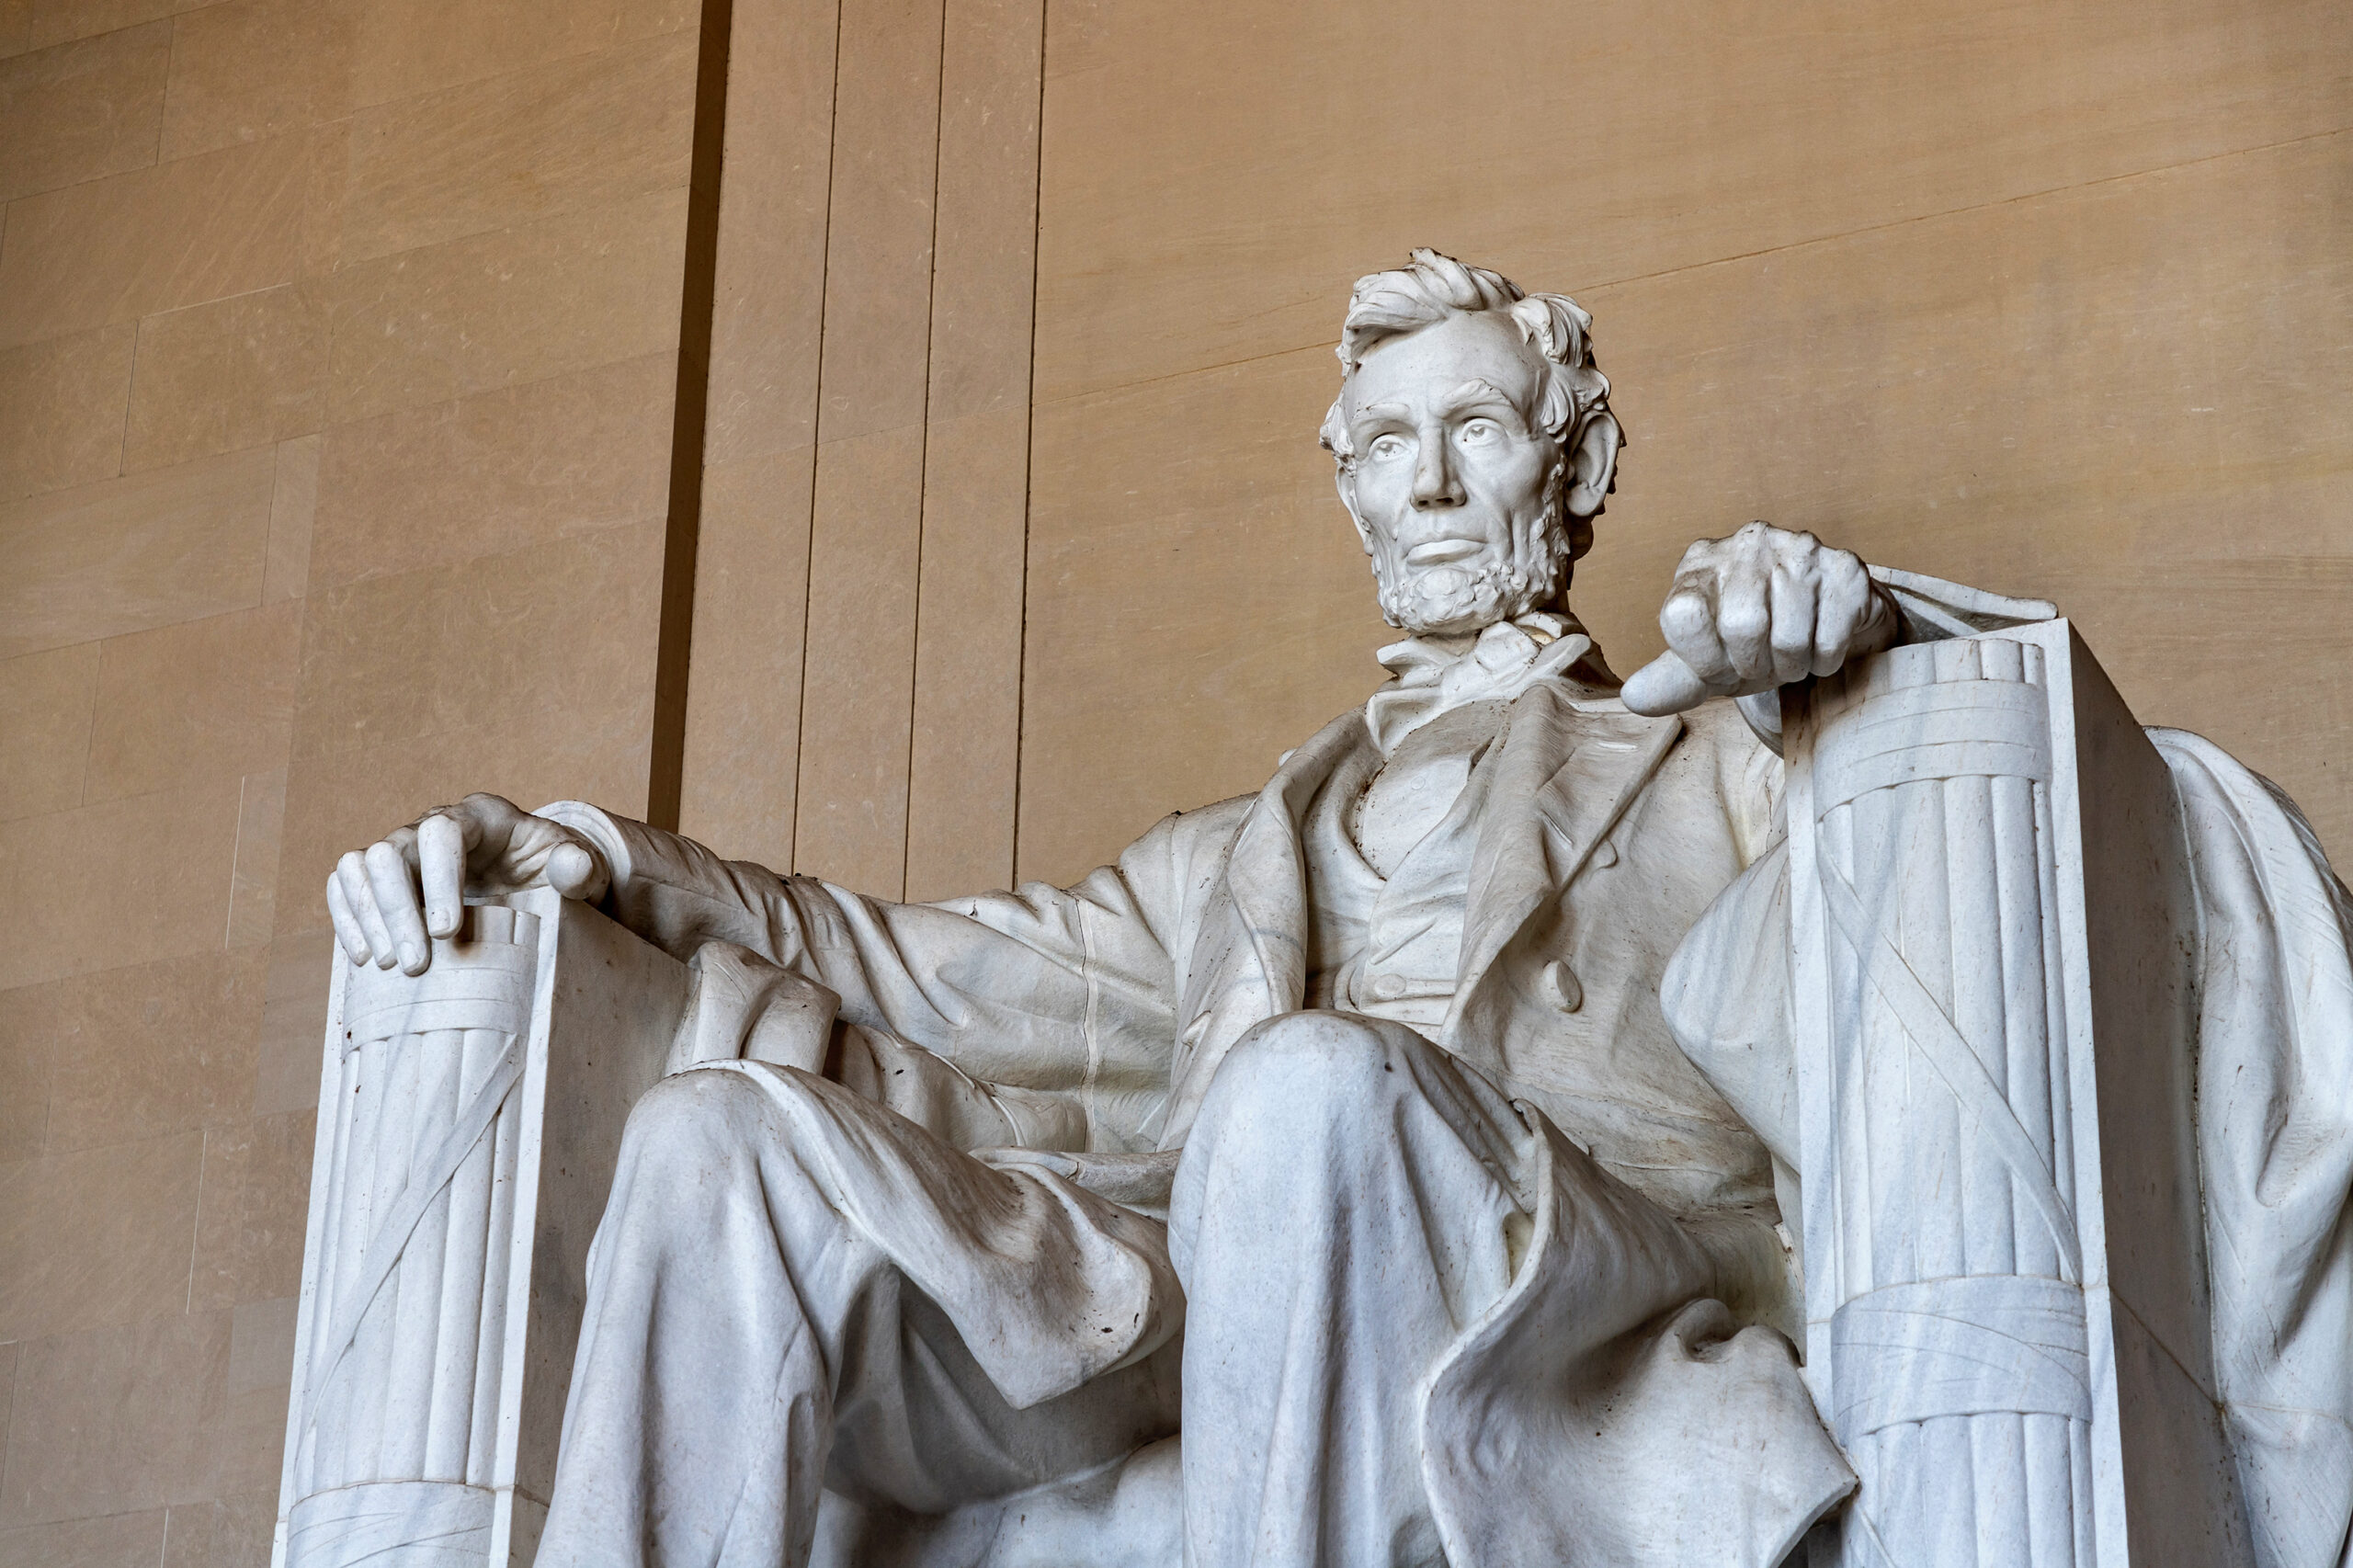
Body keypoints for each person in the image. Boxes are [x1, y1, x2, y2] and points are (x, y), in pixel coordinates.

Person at [324, 251, 2353, 1568]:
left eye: (1476, 427)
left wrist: (1846, 640)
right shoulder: (1237, 857)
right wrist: (602, 855)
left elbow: (1946, 855)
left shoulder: (1718, 744)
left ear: (1571, 470)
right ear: (1352, 496)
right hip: (1202, 1283)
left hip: (1577, 1281)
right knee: (709, 1147)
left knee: (1300, 1099)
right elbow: (914, 968)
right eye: (1388, 446)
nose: (1432, 480)